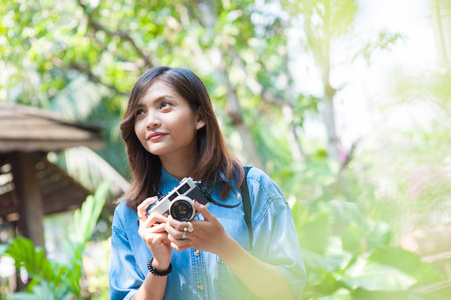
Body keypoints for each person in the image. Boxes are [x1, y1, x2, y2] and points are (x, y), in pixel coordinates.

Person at [108, 66, 306, 300]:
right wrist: (159, 265)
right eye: (140, 112)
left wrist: (224, 246)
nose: (150, 121)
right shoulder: (131, 215)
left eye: (164, 105)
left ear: (200, 117)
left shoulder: (251, 188)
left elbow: (288, 292)